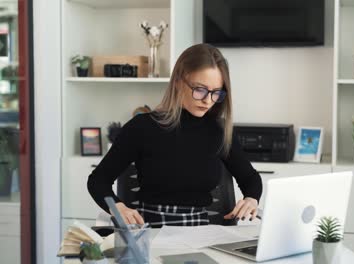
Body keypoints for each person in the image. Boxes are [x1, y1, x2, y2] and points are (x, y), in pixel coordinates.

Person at [87, 43, 262, 227]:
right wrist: (118, 208)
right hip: (151, 233)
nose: (207, 100)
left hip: (200, 235)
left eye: (215, 93)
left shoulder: (218, 131)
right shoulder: (142, 128)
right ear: (178, 82)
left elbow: (250, 178)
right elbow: (98, 181)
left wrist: (251, 199)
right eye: (200, 89)